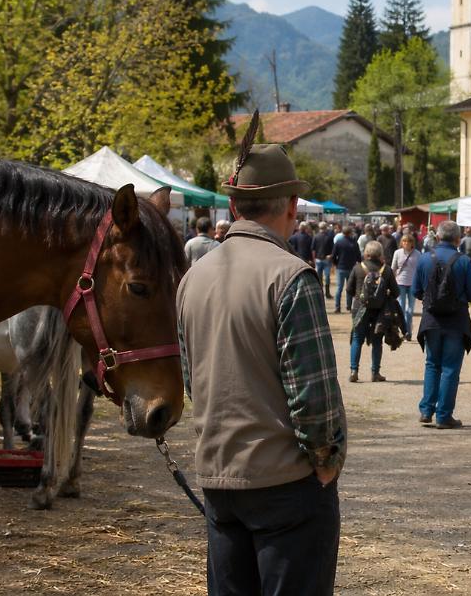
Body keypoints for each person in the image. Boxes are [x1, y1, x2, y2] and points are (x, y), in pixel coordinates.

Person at [176, 134, 345, 595]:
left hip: (220, 479)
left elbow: (193, 381)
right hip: (285, 483)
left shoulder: (193, 279)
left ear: (234, 208)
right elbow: (314, 397)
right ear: (292, 206)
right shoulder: (290, 276)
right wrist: (326, 460)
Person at [412, 220, 471, 429]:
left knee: (432, 364)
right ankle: (444, 415)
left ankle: (426, 410)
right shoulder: (464, 261)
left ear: (438, 237)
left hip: (431, 319)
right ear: (458, 239)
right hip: (456, 321)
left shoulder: (424, 259)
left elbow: (416, 291)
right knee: (450, 368)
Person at [345, 241, 399, 383]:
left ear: (366, 253)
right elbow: (396, 292)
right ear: (380, 254)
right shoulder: (386, 270)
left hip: (360, 308)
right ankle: (375, 373)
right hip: (380, 310)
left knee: (357, 339)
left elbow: (349, 289)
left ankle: (353, 371)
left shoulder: (358, 268)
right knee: (377, 342)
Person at [391, 233, 422, 341]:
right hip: (400, 283)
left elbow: (420, 270)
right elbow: (393, 268)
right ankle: (404, 331)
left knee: (410, 310)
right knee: (402, 308)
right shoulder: (397, 253)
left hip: (412, 283)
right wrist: (390, 283)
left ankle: (408, 330)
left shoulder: (417, 254)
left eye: (408, 241)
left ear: (412, 243)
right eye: (404, 241)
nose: (406, 243)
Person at [331, 225, 361, 314]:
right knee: (350, 288)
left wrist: (336, 264)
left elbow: (333, 255)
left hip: (340, 267)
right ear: (350, 233)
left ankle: (337, 307)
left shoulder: (338, 242)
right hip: (351, 267)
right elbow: (358, 256)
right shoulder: (354, 243)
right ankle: (348, 306)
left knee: (339, 288)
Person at [312, 221, 336, 297]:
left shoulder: (316, 236)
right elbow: (333, 248)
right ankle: (327, 293)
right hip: (326, 259)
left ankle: (319, 293)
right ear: (326, 228)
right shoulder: (329, 237)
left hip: (318, 259)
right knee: (327, 277)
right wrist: (331, 256)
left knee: (319, 277)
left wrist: (314, 259)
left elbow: (313, 249)